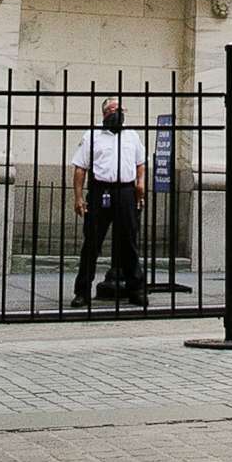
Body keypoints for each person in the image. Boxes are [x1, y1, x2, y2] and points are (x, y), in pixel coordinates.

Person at [69, 97, 146, 306]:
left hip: (126, 192)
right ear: (104, 114)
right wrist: (77, 198)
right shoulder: (92, 136)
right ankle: (82, 291)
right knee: (92, 243)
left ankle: (136, 289)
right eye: (111, 109)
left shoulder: (132, 136)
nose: (116, 112)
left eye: (119, 109)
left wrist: (140, 185)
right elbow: (80, 168)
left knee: (129, 242)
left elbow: (140, 164)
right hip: (100, 191)